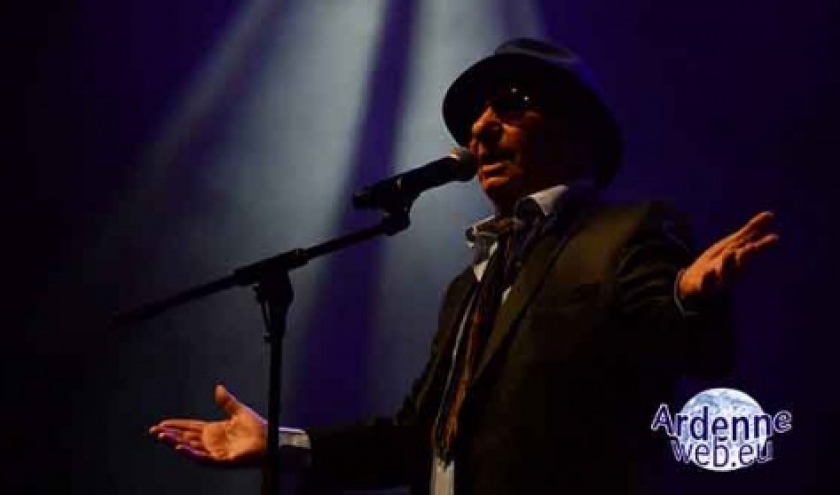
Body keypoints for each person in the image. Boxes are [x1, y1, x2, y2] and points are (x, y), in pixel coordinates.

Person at [150, 38, 778, 494]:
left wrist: (688, 299)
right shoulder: (468, 287)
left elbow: (689, 349)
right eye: (477, 116)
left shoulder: (625, 232)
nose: (480, 129)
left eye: (510, 105)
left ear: (577, 129)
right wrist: (280, 445)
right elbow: (416, 437)